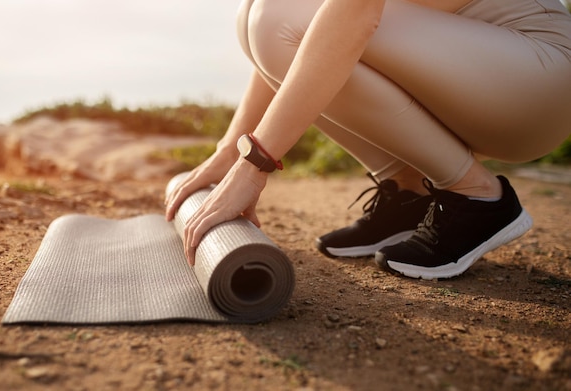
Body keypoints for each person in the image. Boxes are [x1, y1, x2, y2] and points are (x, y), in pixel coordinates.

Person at [166, 0, 571, 280]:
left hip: (537, 77)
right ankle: (410, 192)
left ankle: (479, 197)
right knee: (257, 15)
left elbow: (351, 14)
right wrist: (230, 148)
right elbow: (287, 43)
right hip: (478, 74)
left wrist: (253, 166)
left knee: (277, 16)